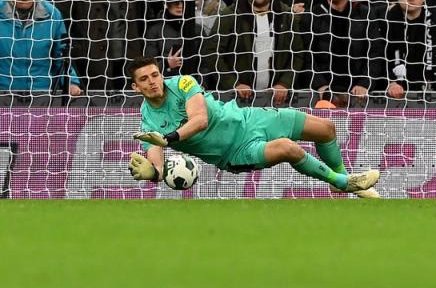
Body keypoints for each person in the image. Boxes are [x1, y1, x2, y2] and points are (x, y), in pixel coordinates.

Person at [126, 56, 380, 197]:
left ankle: (341, 181)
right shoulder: (149, 120)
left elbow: (200, 120)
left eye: (155, 75)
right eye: (144, 79)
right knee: (287, 148)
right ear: (135, 87)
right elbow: (156, 161)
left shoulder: (182, 83)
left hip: (248, 118)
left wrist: (169, 138)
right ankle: (346, 183)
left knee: (326, 128)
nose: (152, 82)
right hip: (235, 152)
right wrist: (155, 174)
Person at [0, 0, 82, 96]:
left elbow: (62, 54)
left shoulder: (52, 14)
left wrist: (71, 82)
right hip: (4, 92)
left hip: (42, 93)